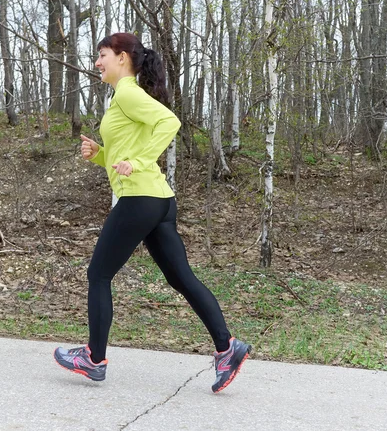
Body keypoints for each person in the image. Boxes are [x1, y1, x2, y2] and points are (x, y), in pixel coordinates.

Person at [53, 32, 251, 393]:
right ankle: (227, 347)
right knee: (180, 277)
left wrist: (139, 160)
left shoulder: (128, 93)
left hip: (139, 199)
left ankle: (94, 359)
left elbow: (169, 123)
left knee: (98, 274)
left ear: (123, 58)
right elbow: (124, 157)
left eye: (102, 55)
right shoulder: (120, 99)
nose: (97, 62)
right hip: (158, 199)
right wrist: (100, 154)